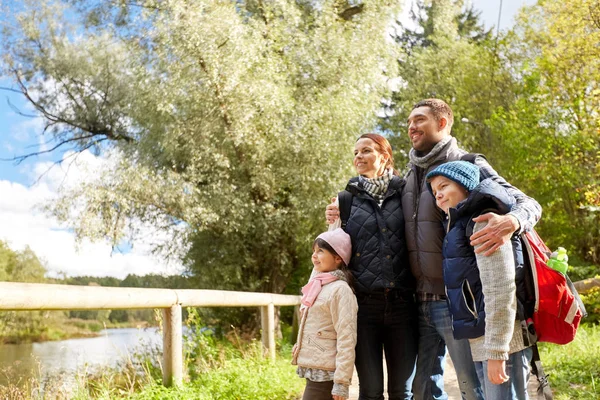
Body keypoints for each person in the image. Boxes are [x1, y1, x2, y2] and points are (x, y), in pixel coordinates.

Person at [326, 99, 541, 400]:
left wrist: (512, 221)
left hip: (460, 300)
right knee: (423, 391)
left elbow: (528, 203)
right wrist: (340, 210)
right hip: (418, 302)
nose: (411, 126)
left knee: (476, 386)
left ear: (442, 123)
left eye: (420, 119)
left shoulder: (468, 164)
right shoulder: (408, 178)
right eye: (409, 121)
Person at [426, 161, 532, 399]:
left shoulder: (483, 223)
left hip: (504, 342)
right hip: (485, 338)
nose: (439, 194)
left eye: (444, 186)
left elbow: (499, 288)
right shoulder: (459, 224)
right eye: (435, 192)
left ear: (465, 185)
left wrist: (496, 351)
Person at [329, 133, 418, 400]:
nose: (359, 157)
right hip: (363, 308)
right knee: (369, 391)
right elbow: (334, 251)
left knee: (402, 392)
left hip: (403, 306)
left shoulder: (406, 193)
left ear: (384, 157)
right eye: (356, 152)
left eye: (366, 151)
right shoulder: (345, 200)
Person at [292, 228, 358, 400]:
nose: (314, 255)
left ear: (338, 258)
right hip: (315, 369)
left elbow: (347, 336)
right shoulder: (318, 285)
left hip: (327, 373)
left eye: (320, 251)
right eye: (314, 251)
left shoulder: (340, 290)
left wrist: (342, 382)